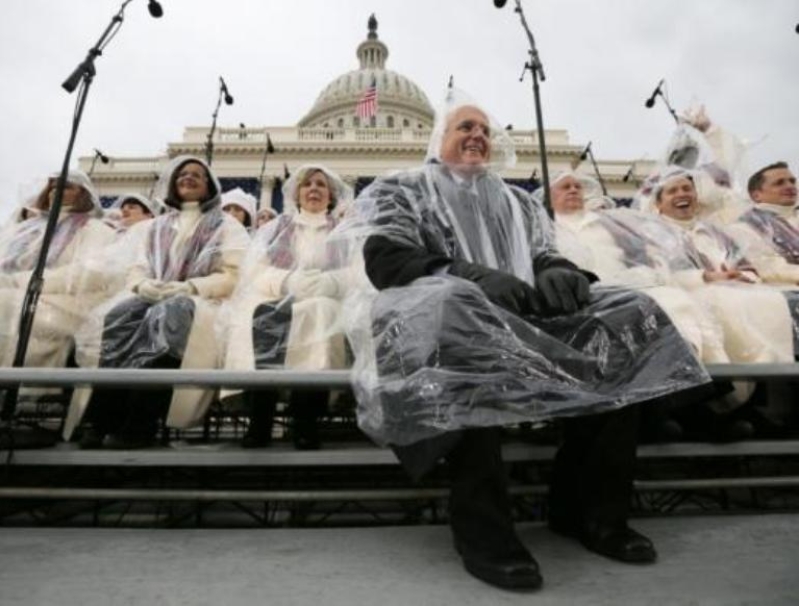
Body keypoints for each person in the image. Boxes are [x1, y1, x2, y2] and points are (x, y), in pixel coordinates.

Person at [341, 90, 709, 591]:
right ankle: (483, 529)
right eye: (465, 127)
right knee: (457, 313)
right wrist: (465, 273)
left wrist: (558, 270)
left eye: (485, 130)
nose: (478, 136)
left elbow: (541, 252)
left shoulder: (516, 201)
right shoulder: (400, 190)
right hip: (445, 324)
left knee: (628, 310)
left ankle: (589, 512)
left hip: (522, 318)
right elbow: (386, 261)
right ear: (438, 140)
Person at [63, 156, 250, 448]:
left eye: (196, 175)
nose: (188, 178)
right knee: (120, 316)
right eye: (182, 175)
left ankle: (141, 421)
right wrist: (142, 284)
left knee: (169, 315)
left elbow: (234, 275)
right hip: (155, 295)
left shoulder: (227, 225)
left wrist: (189, 286)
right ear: (173, 183)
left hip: (203, 301)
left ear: (208, 185)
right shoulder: (156, 225)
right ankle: (101, 421)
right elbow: (138, 264)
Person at [222, 165, 352, 449]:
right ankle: (261, 420)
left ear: (331, 195)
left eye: (321, 184)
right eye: (307, 185)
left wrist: (329, 282)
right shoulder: (275, 229)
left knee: (319, 312)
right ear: (297, 193)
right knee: (265, 315)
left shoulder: (344, 232)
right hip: (276, 295)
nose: (314, 189)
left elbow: (357, 272)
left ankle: (306, 421)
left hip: (325, 299)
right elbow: (255, 270)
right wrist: (287, 282)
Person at [0, 170, 115, 371]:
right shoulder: (28, 228)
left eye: (66, 186)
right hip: (17, 292)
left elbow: (90, 274)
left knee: (7, 304)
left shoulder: (96, 229)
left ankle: (27, 392)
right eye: (53, 185)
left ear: (83, 194)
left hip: (69, 302)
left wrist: (21, 282)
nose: (56, 190)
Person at [726, 162, 799, 284]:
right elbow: (769, 268)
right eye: (779, 183)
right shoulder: (744, 228)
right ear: (756, 195)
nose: (789, 186)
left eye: (792, 181)